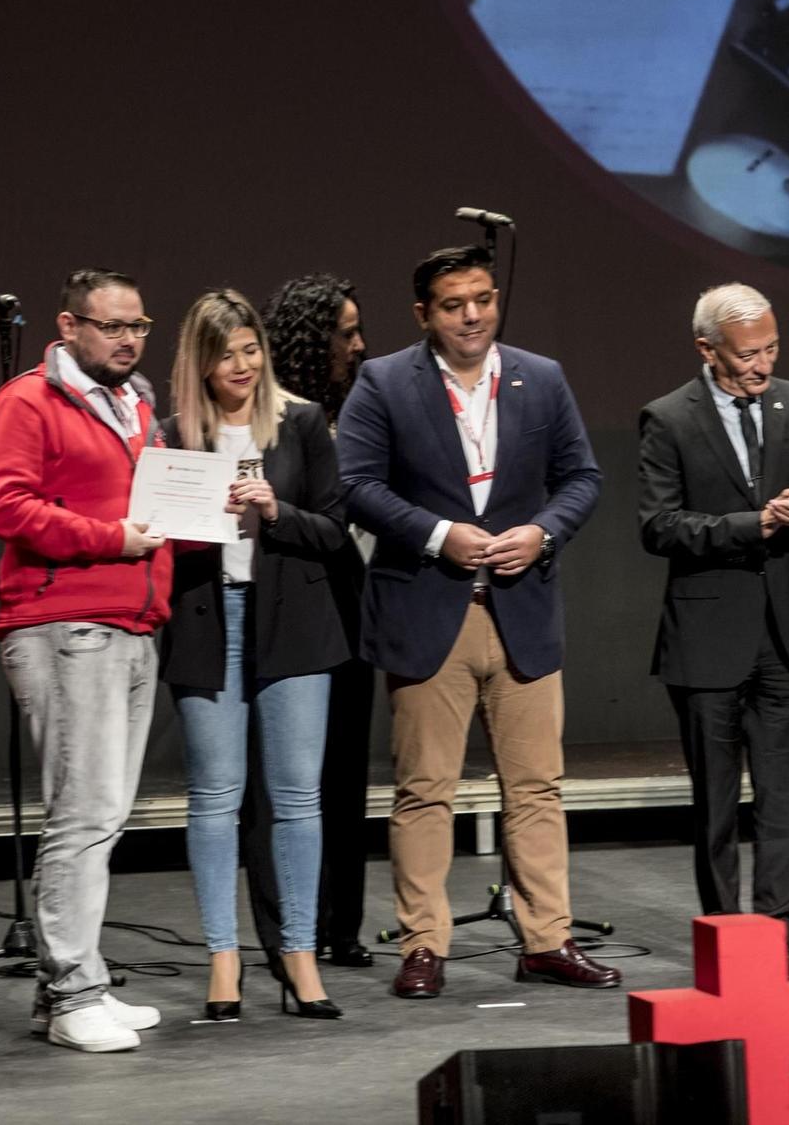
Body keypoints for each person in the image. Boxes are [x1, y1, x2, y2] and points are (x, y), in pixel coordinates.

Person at [338, 244, 615, 999]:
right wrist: (437, 534)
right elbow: (357, 485)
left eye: (484, 299)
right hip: (430, 606)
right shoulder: (385, 381)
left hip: (522, 606)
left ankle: (548, 939)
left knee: (536, 787)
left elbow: (582, 476)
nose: (472, 315)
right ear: (424, 312)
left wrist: (545, 530)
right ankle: (424, 944)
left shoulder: (542, 376)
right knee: (426, 788)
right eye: (455, 303)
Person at [0, 268, 171, 1054]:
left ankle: (79, 974)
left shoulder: (136, 403)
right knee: (82, 813)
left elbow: (148, 510)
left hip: (131, 619)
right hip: (64, 623)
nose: (127, 339)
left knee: (104, 815)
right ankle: (69, 992)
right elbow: (0, 502)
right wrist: (111, 537)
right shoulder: (28, 400)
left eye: (139, 325)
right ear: (69, 326)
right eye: (112, 326)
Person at [637, 283, 789, 979]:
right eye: (749, 353)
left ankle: (783, 930)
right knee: (717, 803)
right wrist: (750, 525)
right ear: (707, 350)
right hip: (707, 636)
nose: (763, 364)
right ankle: (727, 935)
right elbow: (658, 526)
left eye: (772, 348)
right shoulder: (668, 417)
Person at [159, 289, 351, 1021]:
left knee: (297, 796)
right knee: (215, 796)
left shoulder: (299, 421)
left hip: (293, 626)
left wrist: (277, 511)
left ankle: (299, 954)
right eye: (224, 354)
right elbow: (158, 534)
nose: (240, 365)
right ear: (200, 363)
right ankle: (224, 957)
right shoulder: (174, 433)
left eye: (249, 349)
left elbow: (335, 529)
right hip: (208, 621)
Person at [241, 274, 377, 973]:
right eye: (344, 332)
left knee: (345, 774)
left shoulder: (362, 408)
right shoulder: (273, 417)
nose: (357, 345)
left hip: (352, 603)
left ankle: (340, 923)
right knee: (283, 781)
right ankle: (287, 926)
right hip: (284, 606)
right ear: (307, 338)